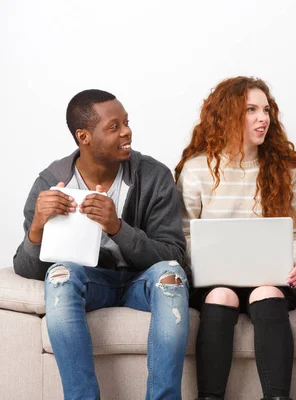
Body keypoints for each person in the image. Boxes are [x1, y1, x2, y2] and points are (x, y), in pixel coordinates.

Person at [13, 89, 189, 400]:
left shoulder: (155, 176)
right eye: (114, 127)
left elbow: (174, 255)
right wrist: (38, 227)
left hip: (141, 281)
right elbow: (28, 269)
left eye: (126, 122)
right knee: (60, 276)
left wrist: (117, 227)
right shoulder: (50, 181)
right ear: (84, 136)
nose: (127, 132)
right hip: (91, 282)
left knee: (172, 278)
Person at [175, 76, 296, 400]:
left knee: (266, 292)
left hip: (270, 277)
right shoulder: (195, 170)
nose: (263, 118)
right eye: (251, 109)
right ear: (227, 114)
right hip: (214, 279)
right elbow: (183, 236)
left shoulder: (289, 171)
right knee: (221, 295)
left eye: (265, 110)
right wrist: (208, 258)